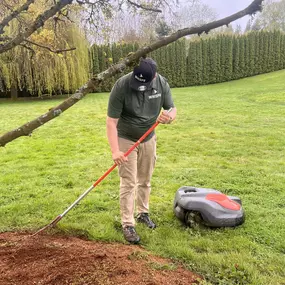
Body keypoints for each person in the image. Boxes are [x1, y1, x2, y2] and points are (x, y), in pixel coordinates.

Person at [106, 57, 177, 244]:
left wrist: (169, 117)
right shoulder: (121, 85)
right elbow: (111, 122)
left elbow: (172, 109)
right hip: (126, 138)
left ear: (153, 77)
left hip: (149, 137)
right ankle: (127, 224)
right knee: (129, 182)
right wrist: (115, 151)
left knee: (145, 180)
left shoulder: (161, 83)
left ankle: (143, 213)